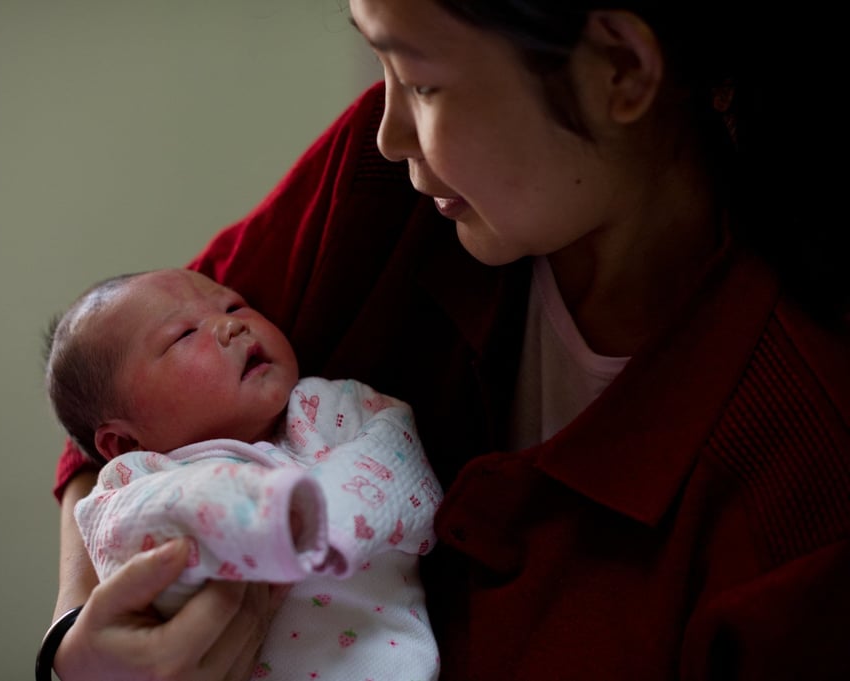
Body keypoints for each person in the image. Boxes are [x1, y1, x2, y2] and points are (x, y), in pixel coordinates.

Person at [42, 1, 850, 679]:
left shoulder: (799, 490)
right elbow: (113, 378)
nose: (389, 131)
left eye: (422, 79)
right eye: (379, 67)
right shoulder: (386, 189)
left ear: (621, 69)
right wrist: (79, 638)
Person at [43, 268, 441, 681]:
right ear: (125, 443)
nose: (232, 325)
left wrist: (322, 517)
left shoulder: (331, 405)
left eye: (234, 306)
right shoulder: (133, 480)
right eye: (183, 334)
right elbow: (149, 532)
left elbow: (400, 463)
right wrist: (261, 517)